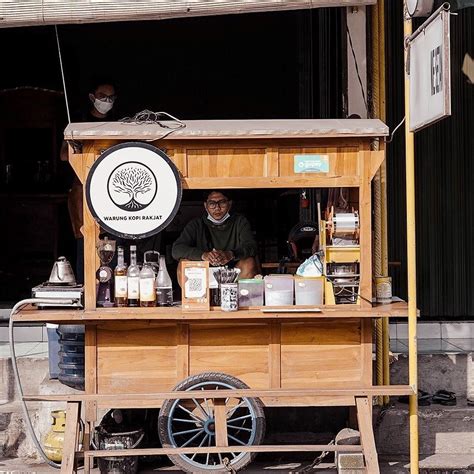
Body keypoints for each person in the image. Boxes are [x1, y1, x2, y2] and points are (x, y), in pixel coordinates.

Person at [61, 80, 117, 282]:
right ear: (92, 97)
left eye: (111, 97)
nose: (107, 101)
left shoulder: (118, 124)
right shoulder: (78, 122)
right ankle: (87, 287)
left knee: (109, 241)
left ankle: (109, 287)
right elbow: (64, 155)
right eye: (103, 96)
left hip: (109, 190)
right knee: (84, 240)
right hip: (82, 188)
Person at [172, 190, 259, 279]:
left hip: (233, 272)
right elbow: (177, 249)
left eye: (222, 203)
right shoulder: (196, 224)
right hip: (203, 274)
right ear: (206, 206)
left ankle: (238, 292)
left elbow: (251, 246)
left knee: (249, 262)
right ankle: (195, 293)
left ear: (230, 204)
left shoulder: (240, 222)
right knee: (183, 264)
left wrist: (230, 254)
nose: (217, 208)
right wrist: (203, 255)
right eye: (212, 203)